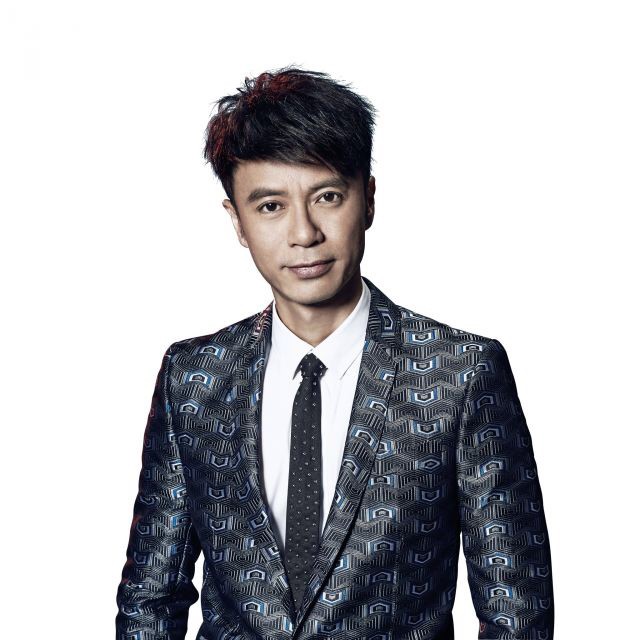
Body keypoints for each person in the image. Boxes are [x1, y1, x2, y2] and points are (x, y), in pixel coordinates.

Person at [115, 66, 554, 640]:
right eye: (270, 206)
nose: (303, 233)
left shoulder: (461, 374)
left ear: (367, 199)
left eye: (327, 197)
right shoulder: (195, 377)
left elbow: (517, 614)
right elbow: (150, 596)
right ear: (237, 221)